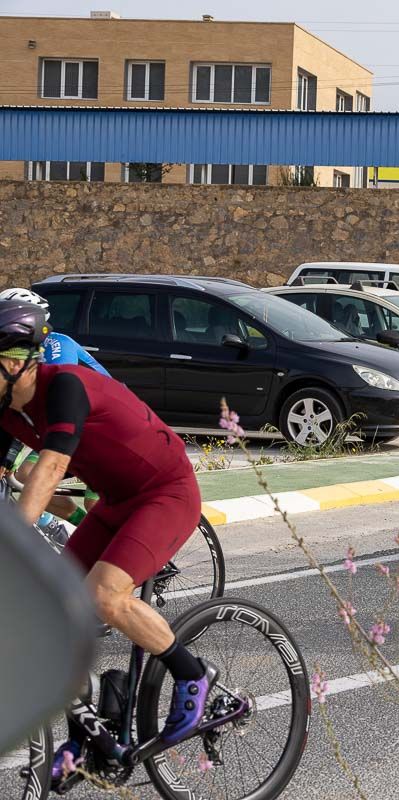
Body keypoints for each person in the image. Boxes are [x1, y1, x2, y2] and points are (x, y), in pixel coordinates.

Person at [0, 301, 215, 785]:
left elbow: (52, 469)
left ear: (13, 364)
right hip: (116, 501)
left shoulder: (65, 386)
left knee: (104, 594)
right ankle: (93, 727)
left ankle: (192, 674)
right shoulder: (6, 410)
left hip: (165, 491)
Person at [0, 287, 109, 522]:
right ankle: (77, 532)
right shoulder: (23, 354)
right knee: (28, 476)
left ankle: (107, 541)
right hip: (71, 429)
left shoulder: (58, 346)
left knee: (94, 502)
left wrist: (10, 453)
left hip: (101, 428)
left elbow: (56, 403)